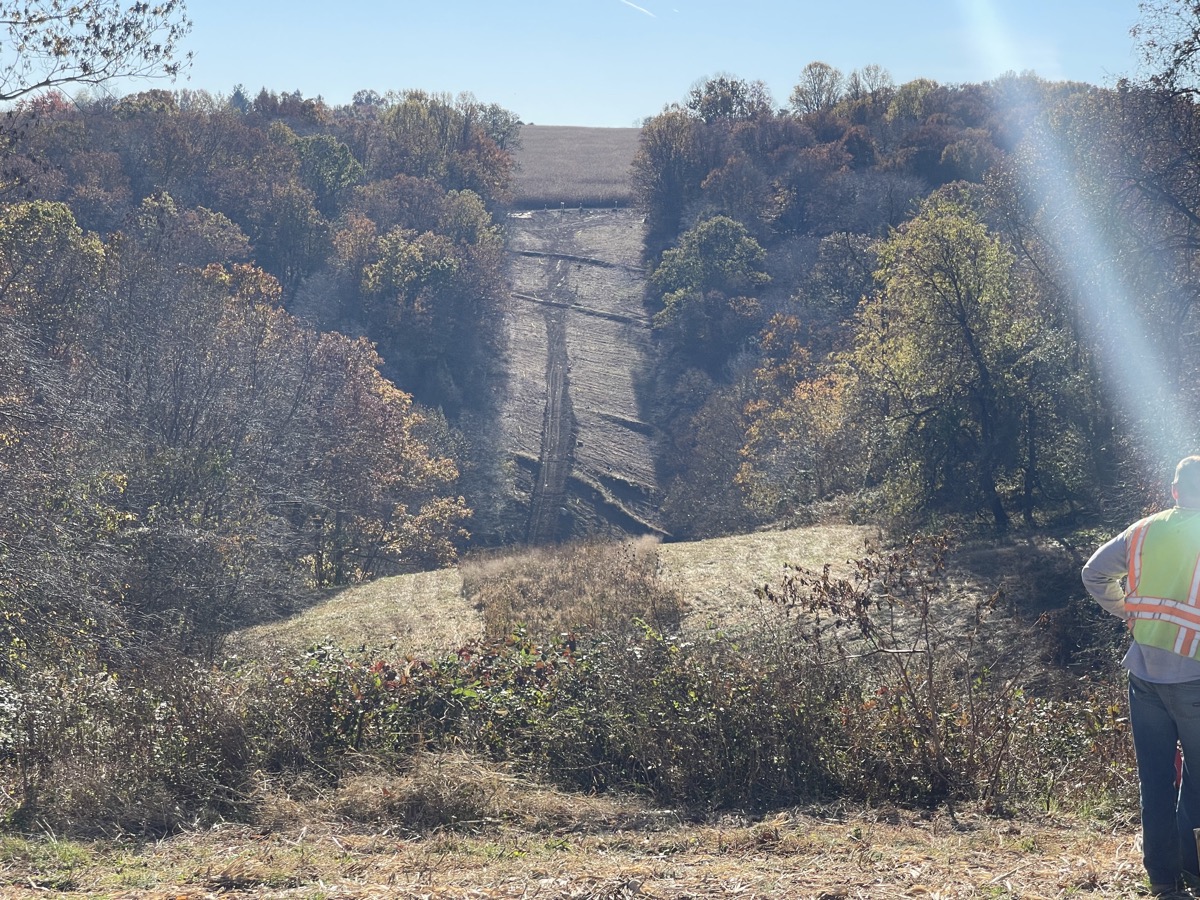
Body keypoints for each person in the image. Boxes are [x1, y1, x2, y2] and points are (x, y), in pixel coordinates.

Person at [1083, 456, 1200, 899]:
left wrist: (1128, 611)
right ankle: (1195, 872)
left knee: (1154, 782)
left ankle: (1163, 884)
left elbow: (1093, 572)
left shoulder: (1144, 530)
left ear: (1174, 491)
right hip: (1194, 679)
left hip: (1144, 676)